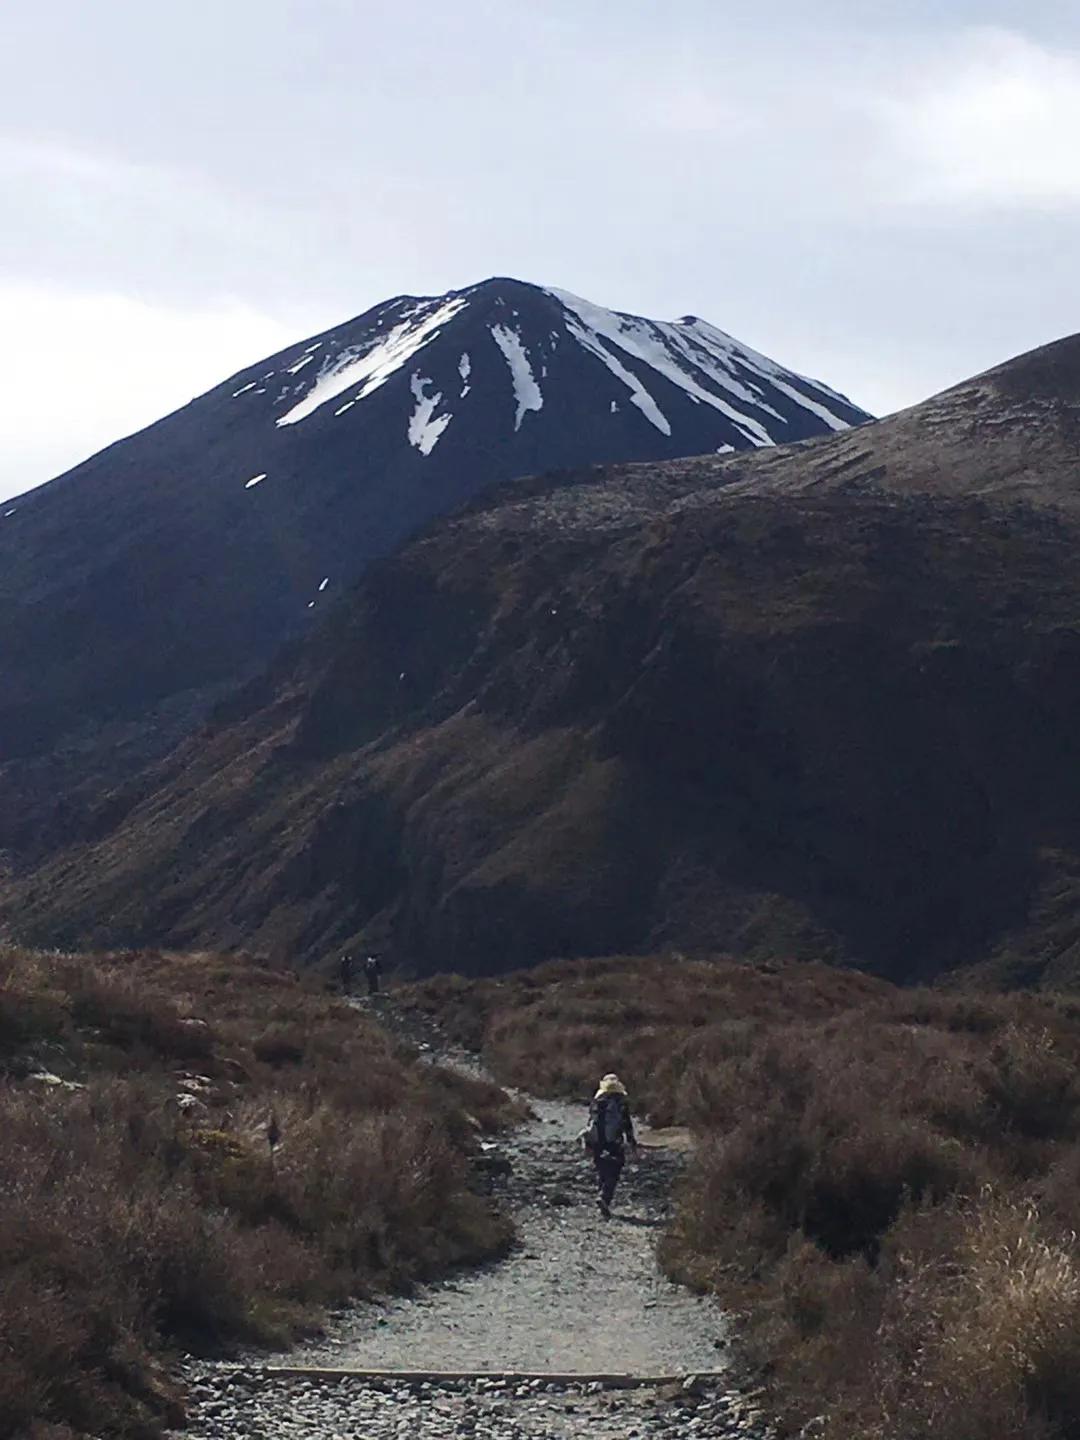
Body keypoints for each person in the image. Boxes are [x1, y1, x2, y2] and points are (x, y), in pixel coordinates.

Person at [585, 1073, 637, 1219]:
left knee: (601, 1169)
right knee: (615, 1169)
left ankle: (601, 1196)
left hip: (597, 1141)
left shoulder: (597, 1101)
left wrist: (588, 1143)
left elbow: (590, 1122)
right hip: (614, 1141)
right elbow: (627, 1124)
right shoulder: (621, 1103)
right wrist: (632, 1142)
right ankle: (604, 1197)